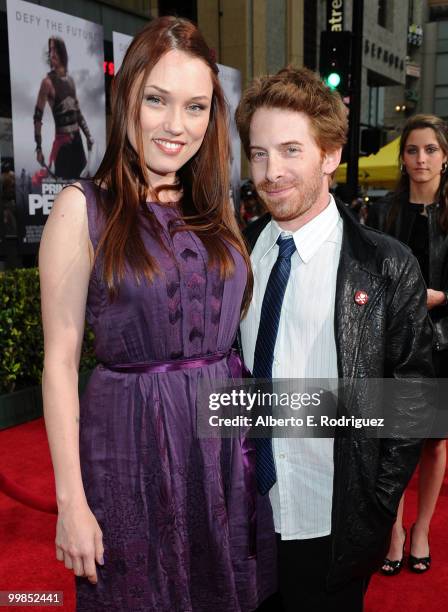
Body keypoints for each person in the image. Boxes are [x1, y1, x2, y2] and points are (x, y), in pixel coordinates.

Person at [39, 17, 276, 611]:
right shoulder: (82, 209)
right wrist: (71, 502)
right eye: (157, 100)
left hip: (222, 439)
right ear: (127, 100)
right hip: (131, 444)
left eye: (196, 107)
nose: (177, 126)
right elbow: (61, 362)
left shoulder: (212, 203)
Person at [235, 66, 434, 612]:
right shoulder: (236, 256)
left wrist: (375, 506)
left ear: (330, 155)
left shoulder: (386, 265)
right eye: (258, 153)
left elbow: (414, 398)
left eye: (291, 150)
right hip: (247, 516)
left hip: (334, 519)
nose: (271, 172)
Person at [367, 114, 448, 575]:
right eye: (413, 150)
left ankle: (421, 529)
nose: (421, 159)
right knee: (389, 439)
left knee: (435, 442)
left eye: (430, 150)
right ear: (403, 158)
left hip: (442, 341)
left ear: (445, 156)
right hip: (392, 342)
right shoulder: (383, 212)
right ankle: (394, 530)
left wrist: (440, 298)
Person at [34, 37, 94, 179]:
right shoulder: (47, 83)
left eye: (55, 49)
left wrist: (88, 136)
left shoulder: (71, 81)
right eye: (50, 50)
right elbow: (37, 117)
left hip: (77, 142)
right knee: (64, 190)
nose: (52, 54)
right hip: (62, 146)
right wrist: (38, 148)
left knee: (83, 187)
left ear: (62, 52)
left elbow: (77, 113)